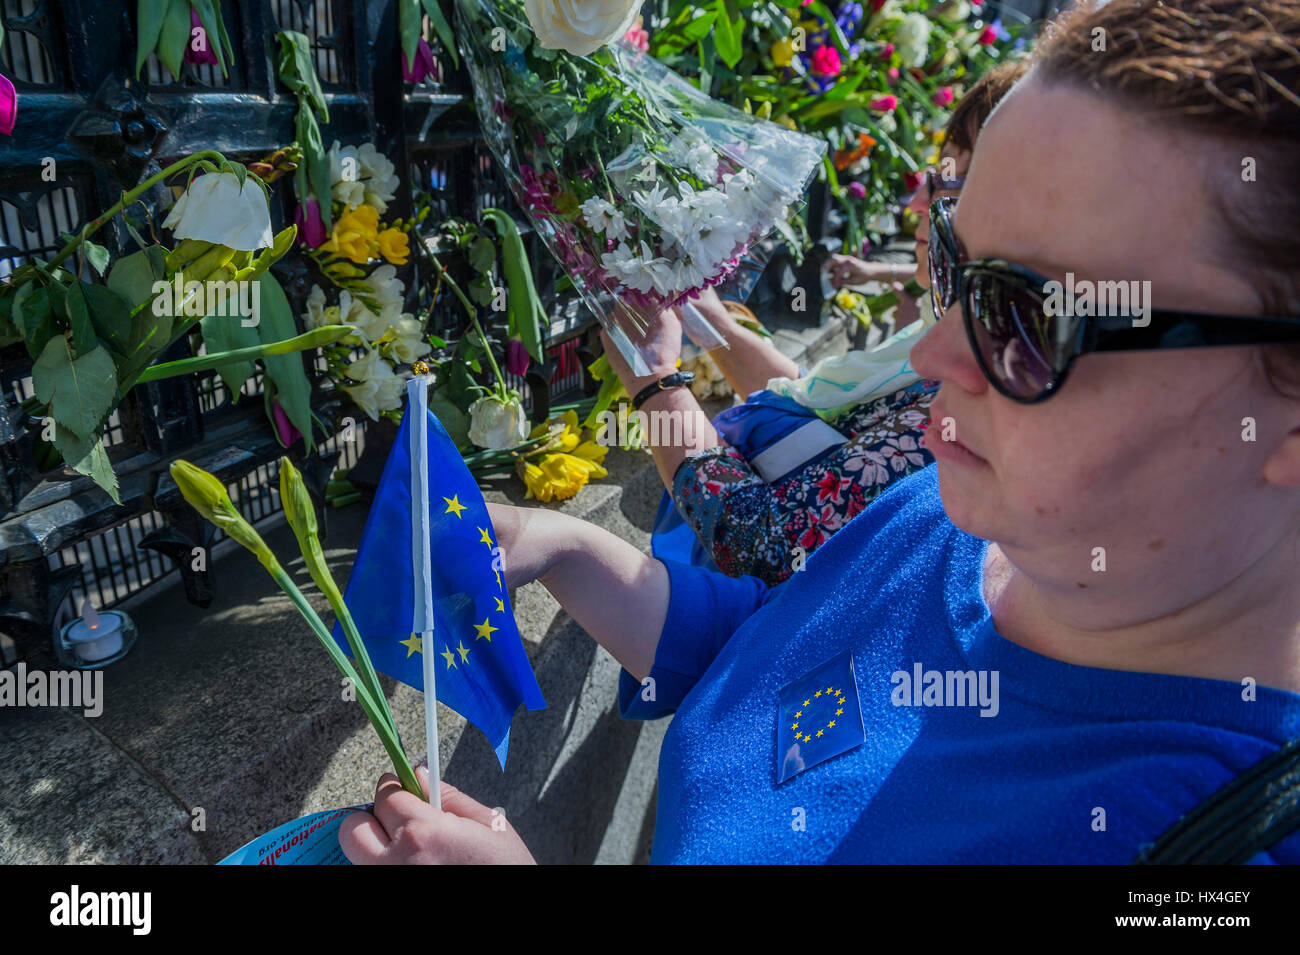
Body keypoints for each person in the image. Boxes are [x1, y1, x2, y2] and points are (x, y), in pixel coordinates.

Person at [340, 0, 1300, 863]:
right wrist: (572, 550)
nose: (934, 354)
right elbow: (780, 647)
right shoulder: (958, 511)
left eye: (1031, 318)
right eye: (955, 264)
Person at [617, 62, 1028, 585]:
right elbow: (809, 415)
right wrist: (710, 319)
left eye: (949, 184)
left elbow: (758, 542)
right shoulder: (946, 325)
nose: (916, 202)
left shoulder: (958, 398)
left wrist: (655, 381)